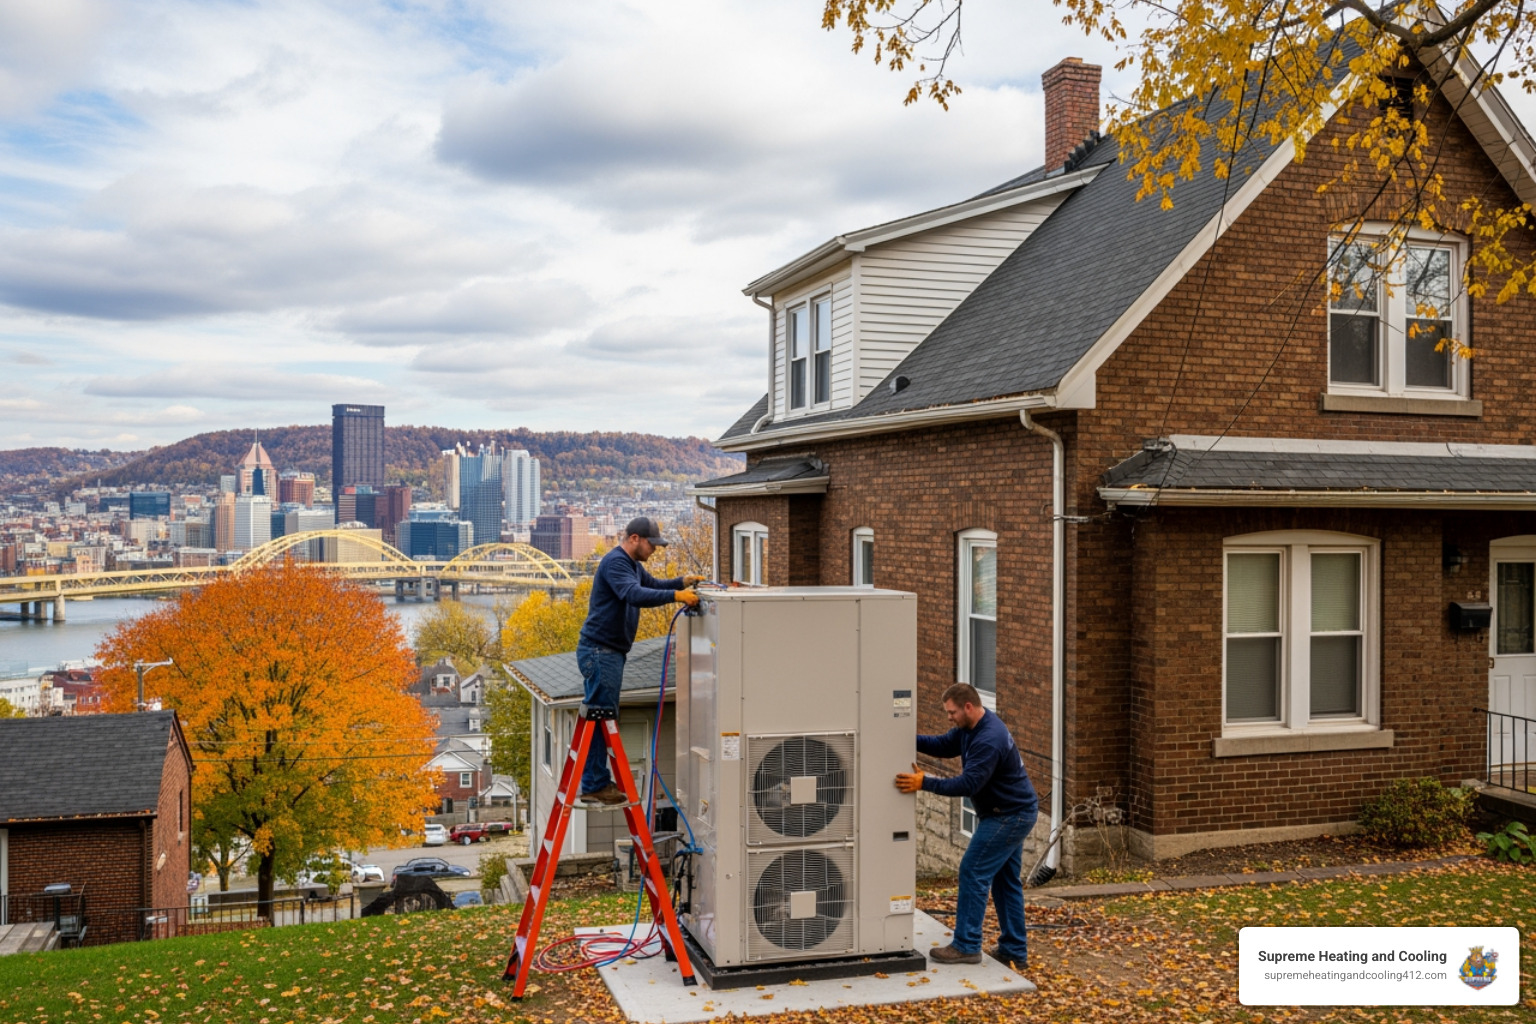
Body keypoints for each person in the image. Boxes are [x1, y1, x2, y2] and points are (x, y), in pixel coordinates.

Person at [895, 683, 1038, 969]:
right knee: (1005, 882)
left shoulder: (989, 739)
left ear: (968, 707)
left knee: (972, 870)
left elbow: (968, 783)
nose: (949, 717)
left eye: (951, 713)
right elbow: (943, 744)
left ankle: (966, 945)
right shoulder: (971, 729)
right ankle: (1014, 950)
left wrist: (925, 783)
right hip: (1013, 812)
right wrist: (902, 738)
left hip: (1008, 816)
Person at [576, 517, 702, 807]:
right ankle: (594, 783)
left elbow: (652, 584)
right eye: (651, 544)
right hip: (600, 651)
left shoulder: (632, 566)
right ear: (634, 538)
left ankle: (596, 781)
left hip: (607, 652)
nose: (654, 550)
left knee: (602, 716)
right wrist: (676, 596)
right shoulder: (616, 563)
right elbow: (634, 594)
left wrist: (680, 583)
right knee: (601, 717)